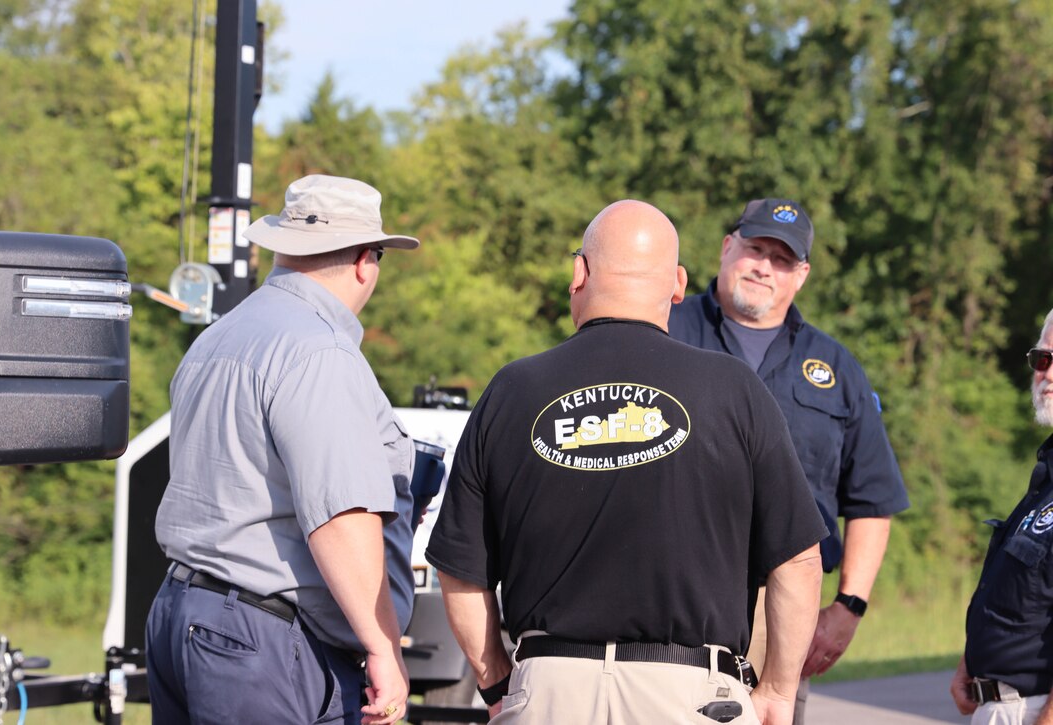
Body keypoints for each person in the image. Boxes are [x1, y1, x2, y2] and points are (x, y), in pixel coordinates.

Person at [426, 199, 827, 724]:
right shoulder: (734, 390)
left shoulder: (512, 390)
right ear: (679, 284)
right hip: (694, 699)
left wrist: (499, 679)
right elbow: (797, 560)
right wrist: (777, 688)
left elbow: (461, 570)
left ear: (579, 273)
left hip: (550, 691)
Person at [146, 175, 419, 725]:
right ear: (367, 260)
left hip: (179, 613)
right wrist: (383, 648)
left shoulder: (218, 337)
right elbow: (343, 516)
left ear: (283, 247)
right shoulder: (319, 350)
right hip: (255, 641)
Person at [668, 198, 910, 722]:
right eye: (755, 249)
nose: (763, 267)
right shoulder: (664, 330)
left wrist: (849, 608)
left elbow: (872, 500)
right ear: (727, 247)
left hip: (780, 611)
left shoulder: (836, 368)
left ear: (800, 275)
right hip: (668, 595)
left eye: (781, 260)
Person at [949, 309, 1053, 725]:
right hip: (1002, 704)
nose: (1046, 373)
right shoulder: (1046, 475)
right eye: (1042, 359)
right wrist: (970, 663)